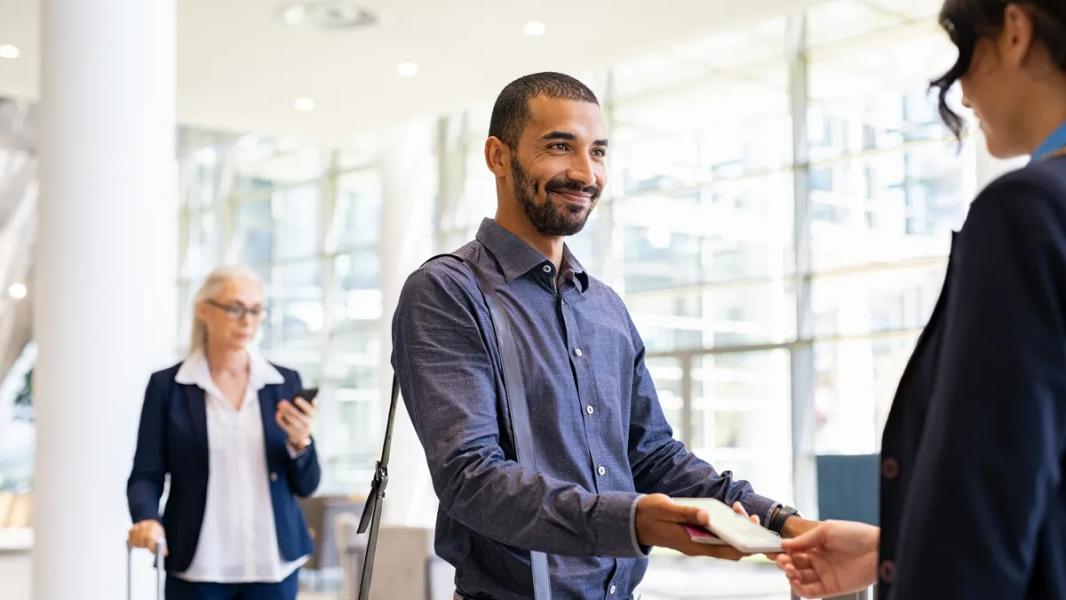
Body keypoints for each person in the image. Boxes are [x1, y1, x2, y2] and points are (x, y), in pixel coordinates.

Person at [391, 72, 817, 600]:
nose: (584, 172)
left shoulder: (605, 306)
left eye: (598, 152)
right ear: (498, 157)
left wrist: (784, 524)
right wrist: (634, 520)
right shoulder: (447, 292)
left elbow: (653, 456)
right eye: (559, 147)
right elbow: (471, 479)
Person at [775, 1, 1066, 598]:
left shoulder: (1028, 215)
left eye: (964, 51)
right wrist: (893, 550)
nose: (960, 93)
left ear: (1015, 31)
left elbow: (985, 501)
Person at [126, 265, 321, 600]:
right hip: (198, 566)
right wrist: (147, 518)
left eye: (256, 310)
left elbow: (307, 485)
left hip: (272, 566)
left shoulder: (282, 383)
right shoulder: (168, 387)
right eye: (235, 308)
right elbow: (146, 473)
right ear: (204, 310)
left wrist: (300, 443)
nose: (247, 320)